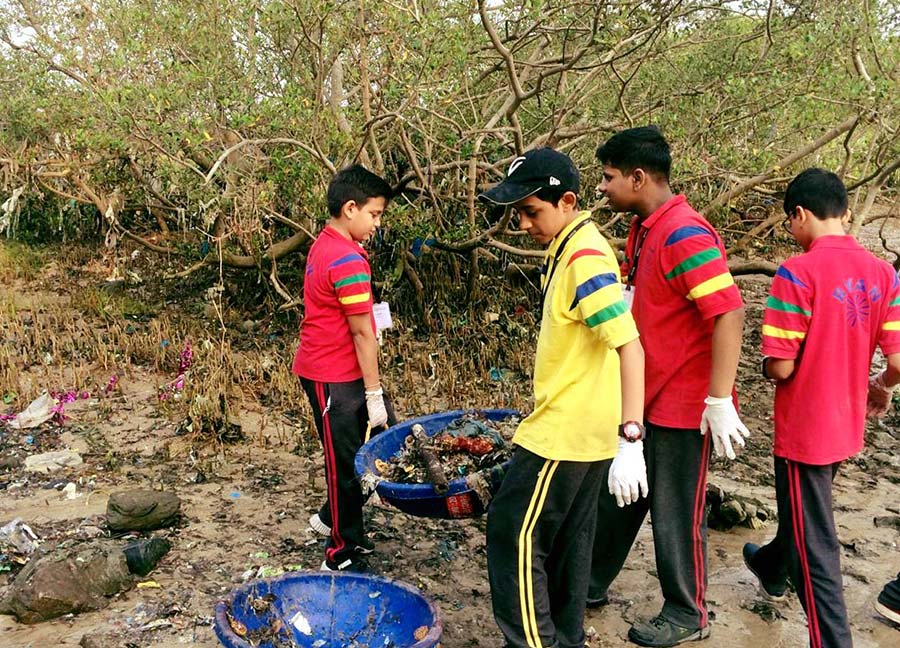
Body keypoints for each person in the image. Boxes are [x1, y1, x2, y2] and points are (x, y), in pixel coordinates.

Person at [479, 147, 647, 648]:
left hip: (565, 432)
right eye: (519, 214)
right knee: (571, 548)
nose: (525, 224)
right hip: (586, 431)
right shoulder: (575, 245)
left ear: (567, 200)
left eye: (532, 211)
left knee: (515, 536)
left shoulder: (583, 256)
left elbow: (630, 346)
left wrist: (632, 437)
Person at [590, 126, 748, 647]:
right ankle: (589, 580)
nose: (603, 188)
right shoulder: (645, 227)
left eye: (609, 178)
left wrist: (719, 399)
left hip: (684, 406)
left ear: (638, 177)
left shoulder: (684, 233)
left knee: (675, 511)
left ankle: (688, 610)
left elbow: (728, 313)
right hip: (646, 397)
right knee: (622, 495)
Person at [742, 167, 900, 647]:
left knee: (817, 546)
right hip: (846, 423)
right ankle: (770, 565)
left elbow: (782, 369)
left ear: (800, 214)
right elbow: (897, 360)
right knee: (805, 515)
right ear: (846, 214)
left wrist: (771, 363)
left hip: (804, 430)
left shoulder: (797, 271)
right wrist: (882, 386)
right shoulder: (882, 272)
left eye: (790, 222)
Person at [293, 164, 396, 572]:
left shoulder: (328, 243)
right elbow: (361, 334)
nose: (376, 223)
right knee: (346, 463)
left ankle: (330, 518)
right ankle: (341, 554)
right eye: (374, 214)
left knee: (367, 454)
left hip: (337, 369)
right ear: (350, 208)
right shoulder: (346, 259)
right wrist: (374, 394)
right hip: (332, 373)